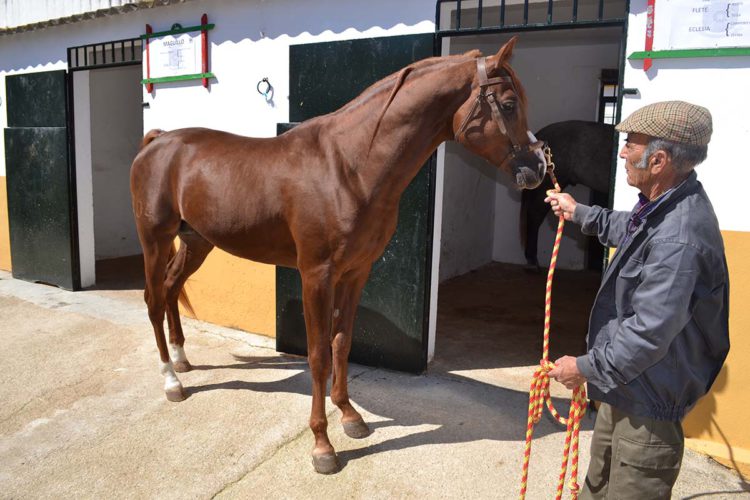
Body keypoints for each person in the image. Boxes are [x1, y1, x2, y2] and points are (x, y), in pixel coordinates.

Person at [545, 101, 730, 499]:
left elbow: (647, 334)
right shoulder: (665, 206)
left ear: (658, 160)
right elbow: (630, 229)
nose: (623, 152)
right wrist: (580, 213)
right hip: (627, 386)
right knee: (597, 487)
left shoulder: (679, 239)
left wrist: (583, 367)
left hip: (647, 399)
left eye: (630, 143)